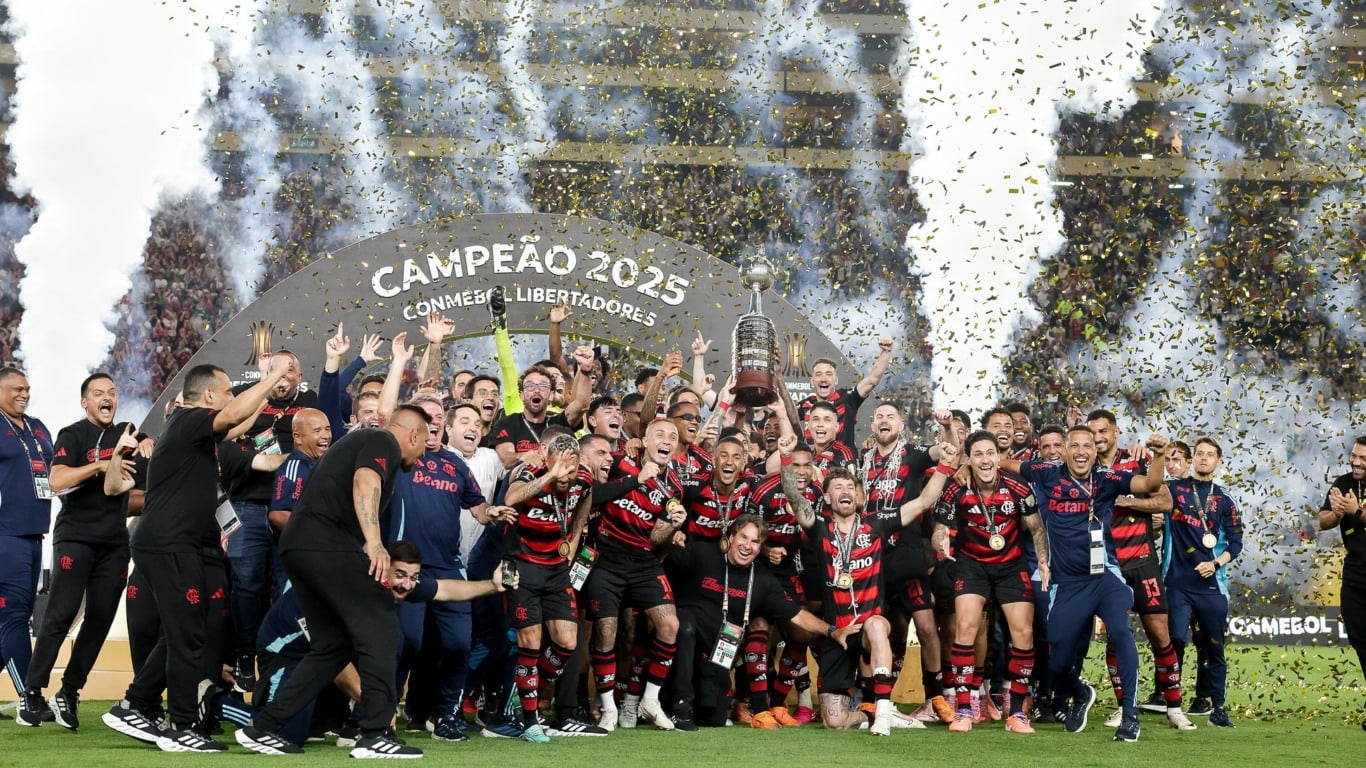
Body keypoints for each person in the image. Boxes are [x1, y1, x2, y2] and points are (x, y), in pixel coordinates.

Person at [102, 357, 294, 753]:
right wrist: (273, 377)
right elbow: (234, 415)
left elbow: (236, 423)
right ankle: (181, 726)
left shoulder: (196, 432)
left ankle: (136, 704)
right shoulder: (189, 420)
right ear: (208, 396)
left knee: (187, 633)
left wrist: (265, 394)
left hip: (181, 544)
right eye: (227, 392)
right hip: (170, 543)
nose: (232, 397)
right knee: (187, 638)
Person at [237, 403, 429, 759]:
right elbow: (365, 481)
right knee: (383, 626)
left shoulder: (359, 443)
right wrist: (375, 542)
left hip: (299, 547)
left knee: (332, 645)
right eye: (424, 445)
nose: (422, 456)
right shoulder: (383, 440)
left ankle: (265, 727)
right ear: (414, 434)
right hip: (325, 544)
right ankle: (375, 733)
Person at [241, 540, 513, 751]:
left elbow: (444, 590)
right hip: (285, 653)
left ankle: (352, 725)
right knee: (284, 735)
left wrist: (492, 585)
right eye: (401, 575)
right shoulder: (348, 590)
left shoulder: (396, 582)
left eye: (414, 577)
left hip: (320, 659)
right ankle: (223, 703)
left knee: (391, 640)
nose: (407, 584)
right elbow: (333, 660)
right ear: (382, 568)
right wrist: (378, 707)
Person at [1003, 426, 1169, 743]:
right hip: (1067, 584)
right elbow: (1004, 464)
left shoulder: (1107, 478)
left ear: (1095, 452)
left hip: (1105, 577)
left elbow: (1150, 484)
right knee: (1057, 663)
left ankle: (1130, 717)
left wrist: (1159, 456)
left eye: (1087, 446)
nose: (1081, 451)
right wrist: (970, 465)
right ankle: (1081, 693)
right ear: (1065, 450)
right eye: (1075, 445)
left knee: (1120, 631)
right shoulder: (1046, 473)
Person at [787, 440, 958, 736]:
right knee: (834, 722)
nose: (845, 492)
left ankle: (882, 711)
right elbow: (793, 495)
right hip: (838, 632)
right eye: (837, 488)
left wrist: (943, 465)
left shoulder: (876, 525)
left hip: (869, 628)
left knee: (878, 625)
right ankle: (877, 715)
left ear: (858, 496)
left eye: (850, 487)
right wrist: (784, 457)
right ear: (826, 497)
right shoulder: (820, 530)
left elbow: (923, 501)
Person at [19, 373, 149, 730]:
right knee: (60, 614)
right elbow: (56, 480)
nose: (107, 398)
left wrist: (149, 450)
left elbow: (132, 494)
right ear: (85, 403)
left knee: (101, 619)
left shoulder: (128, 434)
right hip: (76, 537)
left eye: (112, 393)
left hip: (114, 542)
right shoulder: (73, 435)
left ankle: (69, 692)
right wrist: (99, 465)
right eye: (98, 393)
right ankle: (32, 692)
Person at [669, 513, 860, 730]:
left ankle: (701, 705)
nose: (747, 546)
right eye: (743, 537)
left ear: (760, 549)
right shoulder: (702, 553)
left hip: (716, 657)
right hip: (683, 651)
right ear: (731, 537)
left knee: (715, 720)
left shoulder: (762, 580)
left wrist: (832, 631)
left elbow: (797, 615)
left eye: (755, 542)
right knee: (685, 626)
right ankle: (679, 707)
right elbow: (664, 567)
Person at [932, 430, 1048, 734]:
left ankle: (1017, 714)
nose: (985, 459)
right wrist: (940, 542)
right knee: (965, 627)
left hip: (1011, 566)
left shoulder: (1018, 487)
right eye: (978, 454)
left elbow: (1037, 529)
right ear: (969, 459)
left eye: (990, 453)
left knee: (1023, 632)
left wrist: (1043, 562)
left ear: (998, 457)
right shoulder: (955, 488)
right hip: (971, 565)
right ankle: (964, 710)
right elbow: (939, 527)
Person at [584, 418, 685, 732]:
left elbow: (655, 537)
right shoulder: (618, 462)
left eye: (673, 436)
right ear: (645, 440)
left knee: (670, 625)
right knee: (606, 631)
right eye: (660, 434)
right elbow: (592, 495)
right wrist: (637, 477)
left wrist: (673, 526)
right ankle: (608, 707)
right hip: (606, 556)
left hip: (643, 561)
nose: (667, 440)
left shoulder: (674, 486)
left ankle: (650, 700)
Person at [504, 431, 599, 742]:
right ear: (547, 460)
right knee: (530, 644)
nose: (566, 477)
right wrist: (550, 475)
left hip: (556, 569)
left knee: (567, 644)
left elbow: (585, 500)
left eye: (571, 470)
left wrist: (575, 536)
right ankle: (530, 721)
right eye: (561, 468)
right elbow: (511, 498)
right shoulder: (530, 471)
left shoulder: (583, 478)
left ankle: (523, 694)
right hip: (522, 565)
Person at [1163, 436, 1241, 728]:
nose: (1204, 458)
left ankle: (1218, 709)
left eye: (1210, 454)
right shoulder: (1173, 490)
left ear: (1218, 462)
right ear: (1192, 459)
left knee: (1214, 648)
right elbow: (1150, 498)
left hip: (1211, 585)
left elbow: (1235, 544)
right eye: (1199, 453)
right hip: (1177, 582)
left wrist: (1215, 563)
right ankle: (1172, 705)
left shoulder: (1225, 499)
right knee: (1175, 641)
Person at [0, 366, 55, 721]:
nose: (24, 394)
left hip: (35, 533)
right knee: (15, 616)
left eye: (27, 389)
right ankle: (29, 697)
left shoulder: (37, 428)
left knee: (11, 617)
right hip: (6, 535)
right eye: (17, 389)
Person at [1320, 434, 1366, 732]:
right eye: (1354, 456)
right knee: (1360, 640)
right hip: (1355, 574)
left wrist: (1356, 512)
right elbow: (1322, 520)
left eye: (1363, 458)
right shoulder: (1344, 482)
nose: (1355, 462)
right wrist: (1336, 513)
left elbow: (1357, 513)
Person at [796, 339, 893, 448]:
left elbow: (872, 380)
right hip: (813, 458)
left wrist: (886, 352)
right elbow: (784, 417)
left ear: (836, 380)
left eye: (829, 374)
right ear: (812, 381)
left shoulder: (847, 398)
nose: (823, 379)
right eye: (818, 374)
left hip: (842, 458)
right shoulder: (806, 404)